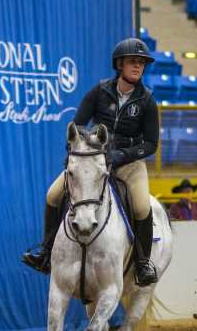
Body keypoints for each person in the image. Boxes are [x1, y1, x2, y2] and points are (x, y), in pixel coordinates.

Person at [22, 37, 160, 286]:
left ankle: (142, 264)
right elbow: (78, 124)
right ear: (119, 64)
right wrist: (84, 151)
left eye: (141, 63)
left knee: (141, 207)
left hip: (129, 165)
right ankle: (45, 251)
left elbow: (151, 144)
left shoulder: (148, 101)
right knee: (53, 195)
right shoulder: (99, 91)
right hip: (94, 164)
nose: (138, 66)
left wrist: (122, 155)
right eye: (132, 62)